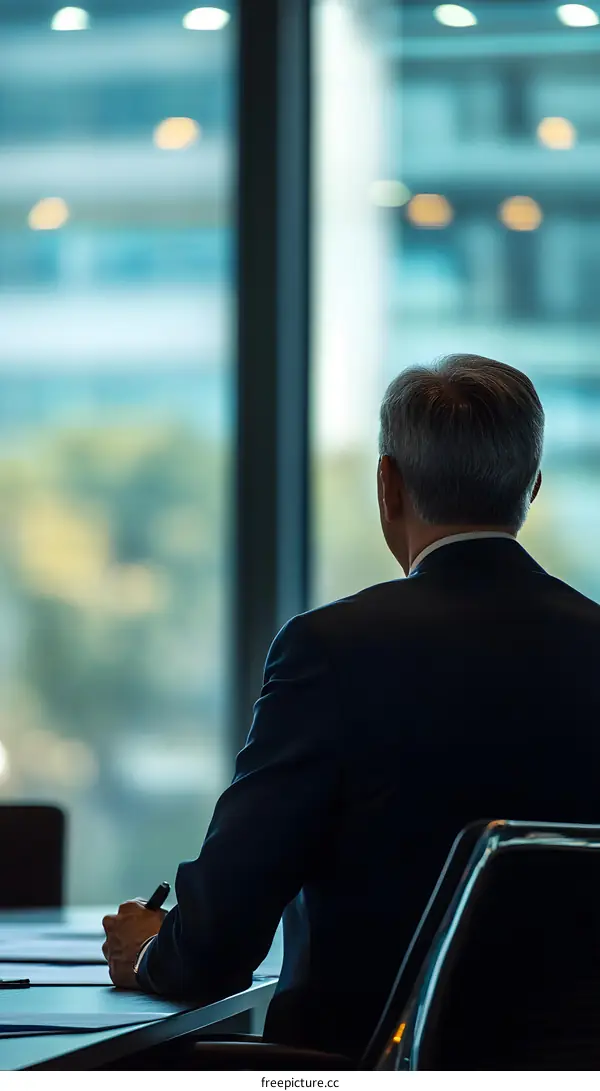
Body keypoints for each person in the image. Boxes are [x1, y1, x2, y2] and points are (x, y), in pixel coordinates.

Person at [102, 353, 600, 1061]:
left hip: (364, 1063)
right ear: (533, 487)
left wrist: (152, 949)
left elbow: (215, 949)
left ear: (386, 484)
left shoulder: (330, 650)